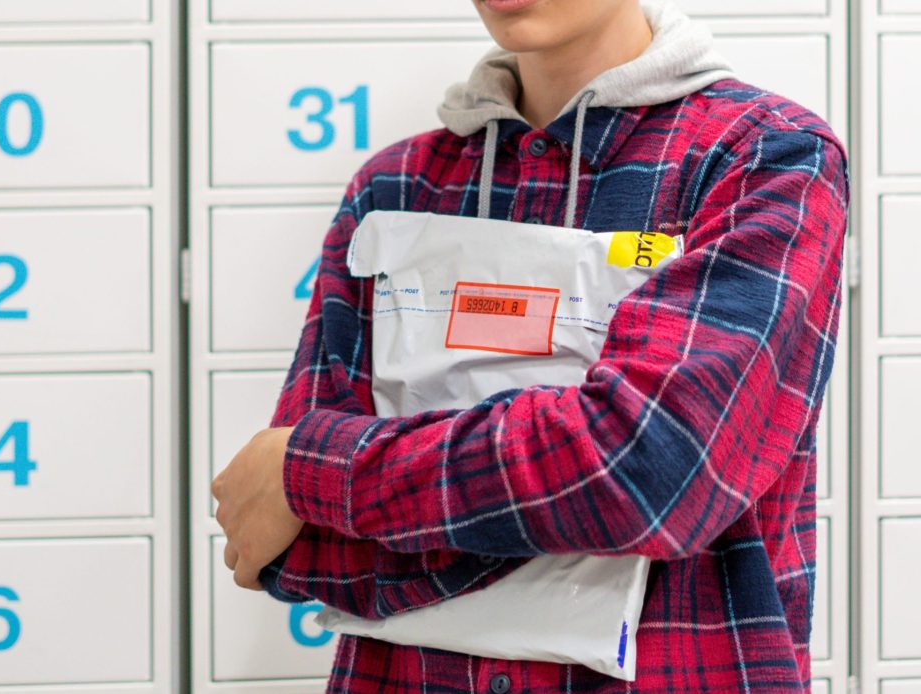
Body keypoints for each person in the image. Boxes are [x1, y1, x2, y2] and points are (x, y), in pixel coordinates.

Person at [210, 0, 849, 691]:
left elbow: (645, 473)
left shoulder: (765, 159)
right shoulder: (392, 190)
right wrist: (559, 503)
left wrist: (319, 475)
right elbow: (289, 546)